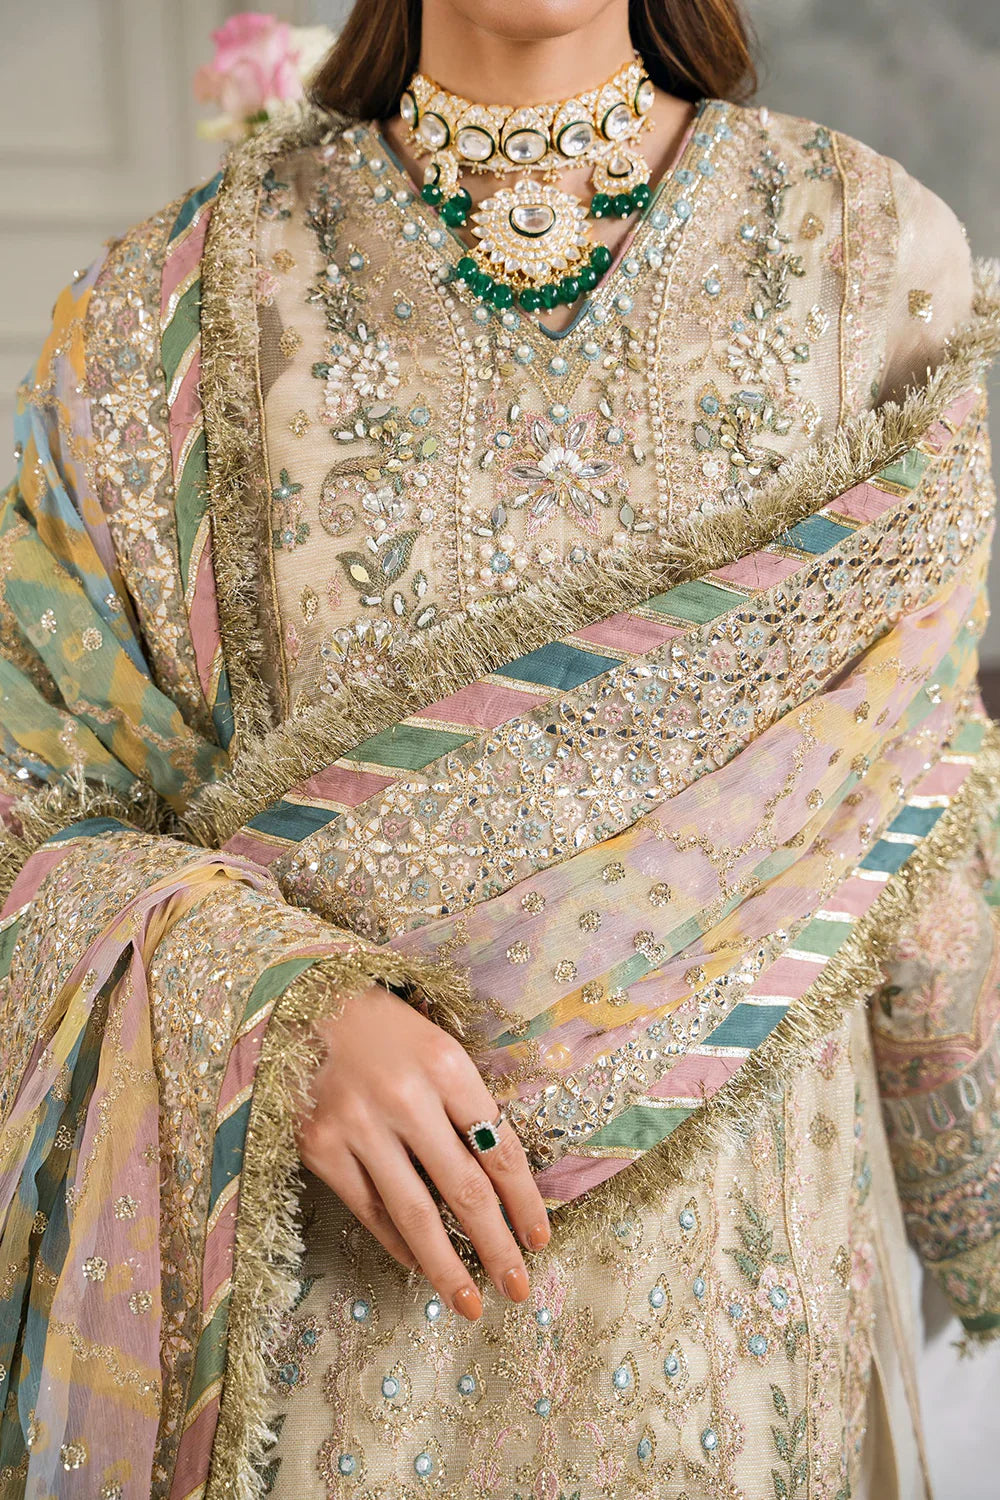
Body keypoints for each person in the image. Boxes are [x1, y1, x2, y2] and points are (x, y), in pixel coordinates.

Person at [1, 1, 998, 1496]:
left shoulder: (864, 247)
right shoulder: (172, 304)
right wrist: (278, 1010)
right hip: (333, 1362)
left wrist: (967, 1184)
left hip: (743, 1341)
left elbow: (918, 789)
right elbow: (31, 805)